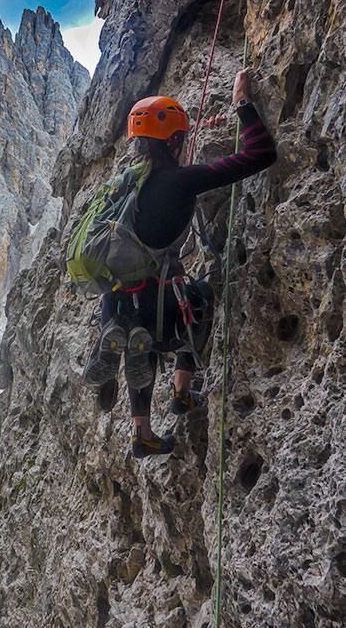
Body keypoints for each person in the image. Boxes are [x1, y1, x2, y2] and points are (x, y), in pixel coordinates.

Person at [83, 68, 277, 458]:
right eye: (182, 138)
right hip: (161, 299)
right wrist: (242, 103)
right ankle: (182, 393)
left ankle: (142, 433)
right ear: (174, 141)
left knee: (137, 343)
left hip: (115, 295)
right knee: (200, 296)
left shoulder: (129, 178)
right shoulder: (184, 180)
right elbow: (260, 155)